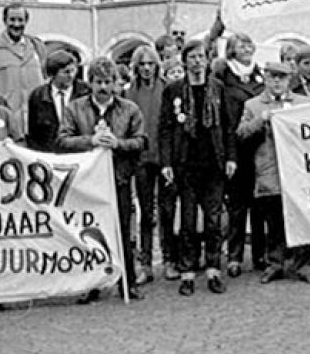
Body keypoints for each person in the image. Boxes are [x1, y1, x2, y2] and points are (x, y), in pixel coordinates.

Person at [58, 57, 147, 302]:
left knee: (122, 232)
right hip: (87, 184)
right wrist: (89, 141)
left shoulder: (130, 109)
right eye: (99, 82)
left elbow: (141, 141)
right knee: (89, 233)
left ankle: (127, 283)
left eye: (108, 82)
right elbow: (62, 140)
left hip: (118, 179)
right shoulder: (75, 108)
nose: (104, 88)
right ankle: (92, 284)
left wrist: (119, 143)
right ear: (90, 83)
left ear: (116, 83)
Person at [160, 38, 234, 296]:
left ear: (207, 59)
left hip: (213, 163)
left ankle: (214, 269)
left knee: (214, 221)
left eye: (201, 56)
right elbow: (166, 129)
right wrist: (167, 162)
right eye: (192, 57)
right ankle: (187, 272)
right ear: (185, 60)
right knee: (188, 222)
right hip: (186, 164)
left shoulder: (218, 88)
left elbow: (227, 126)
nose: (197, 61)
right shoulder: (174, 90)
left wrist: (230, 158)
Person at [237, 62, 310, 284]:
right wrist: (261, 120)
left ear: (289, 80)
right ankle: (275, 263)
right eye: (273, 77)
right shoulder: (253, 105)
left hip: (298, 170)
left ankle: (305, 264)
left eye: (282, 77)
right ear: (266, 79)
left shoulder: (303, 103)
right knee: (274, 221)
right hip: (269, 170)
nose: (278, 82)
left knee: (301, 219)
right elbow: (241, 133)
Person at [215, 33, 266, 276]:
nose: (246, 48)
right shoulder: (224, 76)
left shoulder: (262, 75)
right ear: (231, 50)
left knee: (259, 204)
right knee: (237, 205)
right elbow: (224, 118)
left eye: (249, 43)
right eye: (240, 44)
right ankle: (235, 256)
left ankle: (260, 255)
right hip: (235, 146)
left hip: (260, 146)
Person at [125, 45, 171, 285]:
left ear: (156, 65)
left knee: (167, 209)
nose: (145, 68)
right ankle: (145, 262)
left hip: (163, 157)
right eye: (141, 64)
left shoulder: (166, 89)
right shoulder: (128, 92)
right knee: (145, 211)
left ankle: (168, 258)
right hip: (141, 158)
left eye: (149, 64)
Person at [0, 4, 48, 125]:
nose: (16, 24)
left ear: (26, 21)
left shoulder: (37, 47)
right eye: (12, 20)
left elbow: (45, 81)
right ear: (4, 21)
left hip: (35, 119)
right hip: (4, 119)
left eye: (20, 20)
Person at [25, 50, 87, 153]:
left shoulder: (85, 92)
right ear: (52, 74)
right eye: (66, 72)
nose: (71, 75)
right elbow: (33, 135)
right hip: (49, 156)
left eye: (73, 71)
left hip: (81, 155)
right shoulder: (37, 96)